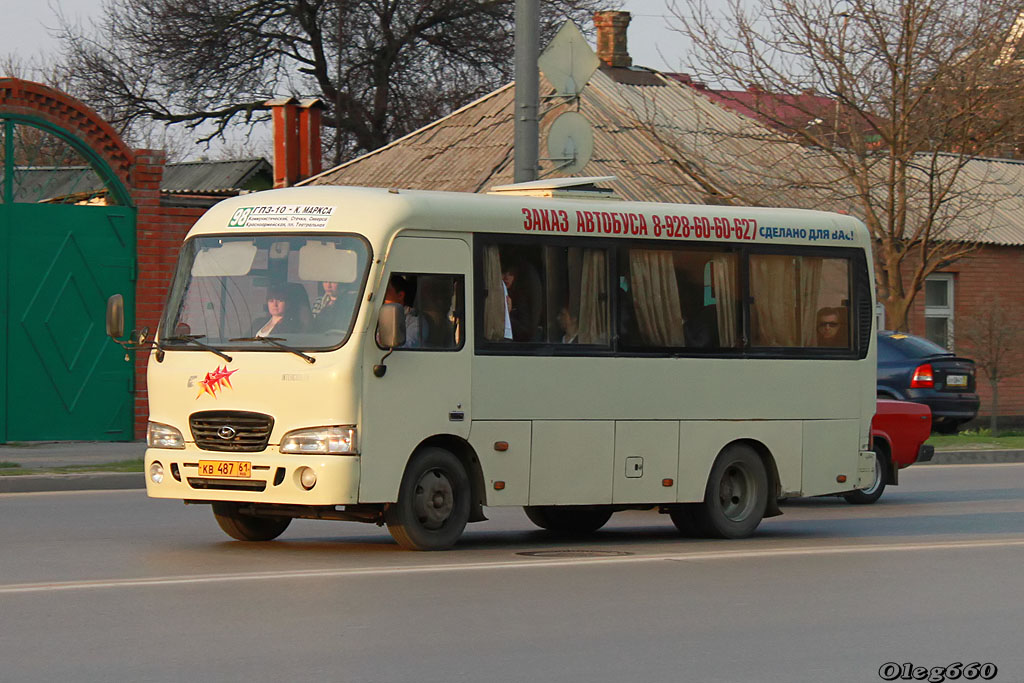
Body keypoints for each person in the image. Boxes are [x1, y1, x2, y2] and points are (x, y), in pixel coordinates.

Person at [501, 259, 542, 342]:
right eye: (504, 273)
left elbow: (525, 329)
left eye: (511, 274)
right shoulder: (500, 292)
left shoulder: (520, 297)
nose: (506, 277)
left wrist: (508, 314)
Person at [382, 275, 424, 348]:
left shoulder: (416, 323)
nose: (382, 297)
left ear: (400, 295)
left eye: (385, 291)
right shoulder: (375, 317)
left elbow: (405, 348)